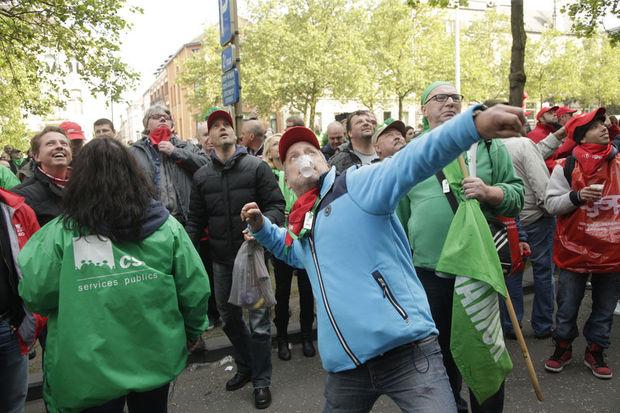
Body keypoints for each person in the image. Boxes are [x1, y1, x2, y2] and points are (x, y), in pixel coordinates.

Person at [241, 102, 526, 412]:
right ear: (285, 174)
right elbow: (297, 254)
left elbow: (410, 162)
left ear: (324, 161)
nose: (303, 159)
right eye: (293, 157)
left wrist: (472, 126)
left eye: (310, 150)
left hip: (407, 353)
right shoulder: (306, 220)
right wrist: (262, 228)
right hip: (346, 367)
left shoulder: (356, 185)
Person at [18, 138, 210, 412]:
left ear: (79, 178)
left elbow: (35, 293)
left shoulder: (61, 233)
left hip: (89, 368)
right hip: (154, 356)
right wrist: (192, 331)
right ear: (134, 174)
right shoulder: (167, 227)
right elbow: (194, 288)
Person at [397, 82, 524, 413]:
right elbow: (401, 216)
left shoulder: (487, 146)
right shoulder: (412, 152)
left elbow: (516, 197)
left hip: (478, 267)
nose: (449, 102)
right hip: (429, 270)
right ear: (424, 109)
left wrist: (490, 192)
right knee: (440, 353)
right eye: (440, 97)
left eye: (455, 97)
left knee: (484, 349)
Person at [186, 110, 284, 410]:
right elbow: (194, 219)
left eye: (226, 124)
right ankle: (246, 365)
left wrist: (261, 226)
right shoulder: (201, 176)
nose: (222, 129)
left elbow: (277, 206)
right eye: (216, 127)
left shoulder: (256, 168)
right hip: (220, 261)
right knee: (228, 319)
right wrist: (185, 252)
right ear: (209, 138)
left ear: (236, 134)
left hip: (253, 259)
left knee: (258, 323)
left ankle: (261, 381)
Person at [544, 108, 620, 380]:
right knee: (566, 305)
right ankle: (562, 347)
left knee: (604, 307)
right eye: (595, 125)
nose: (603, 127)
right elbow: (551, 204)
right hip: (573, 251)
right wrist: (576, 197)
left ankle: (596, 350)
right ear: (580, 135)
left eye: (604, 123)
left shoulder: (618, 163)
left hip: (612, 253)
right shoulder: (566, 166)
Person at [262, 133, 316, 361]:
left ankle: (306, 335)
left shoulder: (298, 171)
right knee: (282, 292)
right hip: (281, 241)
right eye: (274, 143)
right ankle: (282, 337)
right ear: (268, 151)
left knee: (306, 291)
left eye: (280, 143)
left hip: (303, 238)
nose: (278, 146)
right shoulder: (265, 176)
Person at [129, 103, 207, 225]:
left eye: (167, 117)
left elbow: (206, 166)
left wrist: (175, 152)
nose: (162, 119)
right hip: (151, 222)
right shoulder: (134, 152)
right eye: (156, 117)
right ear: (146, 125)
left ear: (171, 125)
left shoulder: (186, 146)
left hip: (185, 221)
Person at [0, 188, 42, 413]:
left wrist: (34, 318)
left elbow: (38, 270)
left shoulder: (18, 210)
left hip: (10, 326)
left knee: (14, 403)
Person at [12, 126, 72, 226]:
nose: (59, 146)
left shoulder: (87, 186)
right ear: (36, 156)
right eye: (50, 144)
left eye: (64, 143)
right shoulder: (20, 197)